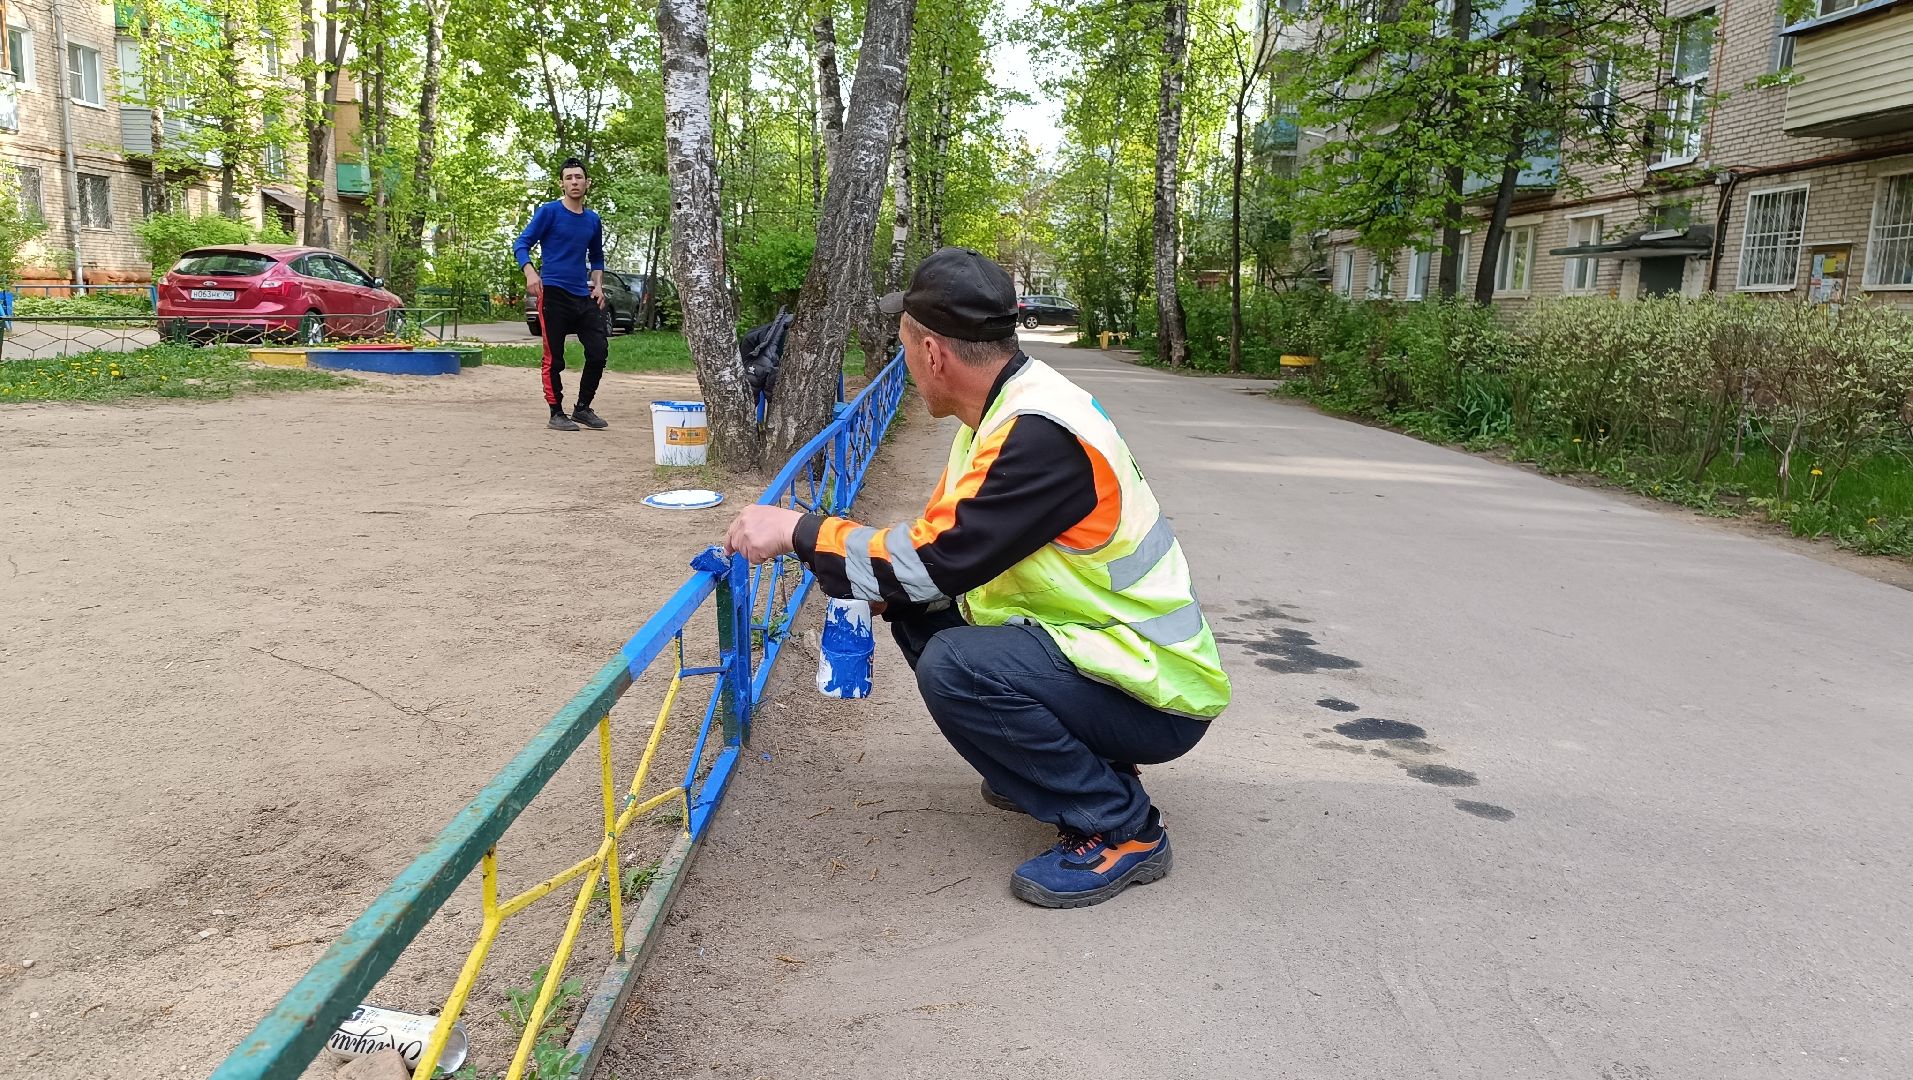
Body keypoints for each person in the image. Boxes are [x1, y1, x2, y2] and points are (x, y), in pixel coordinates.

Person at [723, 247, 1231, 909]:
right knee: (918, 614)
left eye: (903, 346)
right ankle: (1054, 766)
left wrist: (798, 530)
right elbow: (938, 549)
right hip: (1107, 654)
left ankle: (1120, 827)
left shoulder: (1038, 436)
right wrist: (882, 585)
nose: (903, 361)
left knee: (955, 666)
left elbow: (931, 561)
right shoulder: (1008, 408)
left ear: (933, 353)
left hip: (1156, 690)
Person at [514, 157, 610, 431]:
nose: (574, 182)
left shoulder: (592, 220)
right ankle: (556, 412)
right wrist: (531, 273)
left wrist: (598, 285)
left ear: (587, 182)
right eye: (569, 178)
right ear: (562, 184)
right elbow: (521, 243)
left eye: (578, 177)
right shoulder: (549, 212)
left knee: (598, 351)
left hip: (583, 294)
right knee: (554, 358)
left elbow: (597, 256)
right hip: (553, 293)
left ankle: (582, 408)